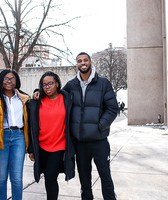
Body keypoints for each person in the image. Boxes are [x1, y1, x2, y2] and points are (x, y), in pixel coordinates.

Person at [33, 52, 118, 200]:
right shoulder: (71, 85)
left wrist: (99, 126)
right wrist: (37, 92)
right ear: (77, 64)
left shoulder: (103, 83)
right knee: (85, 180)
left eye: (85, 60)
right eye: (79, 61)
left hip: (99, 140)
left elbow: (112, 109)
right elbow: (54, 92)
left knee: (105, 176)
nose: (82, 63)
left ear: (90, 63)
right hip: (80, 142)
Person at [28, 71, 75, 200]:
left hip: (59, 145)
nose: (47, 87)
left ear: (57, 84)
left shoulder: (67, 99)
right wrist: (31, 148)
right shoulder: (36, 101)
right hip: (41, 145)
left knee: (50, 176)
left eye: (50, 83)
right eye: (44, 84)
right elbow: (31, 127)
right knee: (45, 176)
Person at [0, 69, 30, 200]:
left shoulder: (23, 98)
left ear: (16, 81)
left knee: (17, 177)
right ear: (1, 80)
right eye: (6, 78)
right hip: (1, 136)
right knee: (1, 176)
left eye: (12, 78)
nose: (9, 81)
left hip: (19, 136)